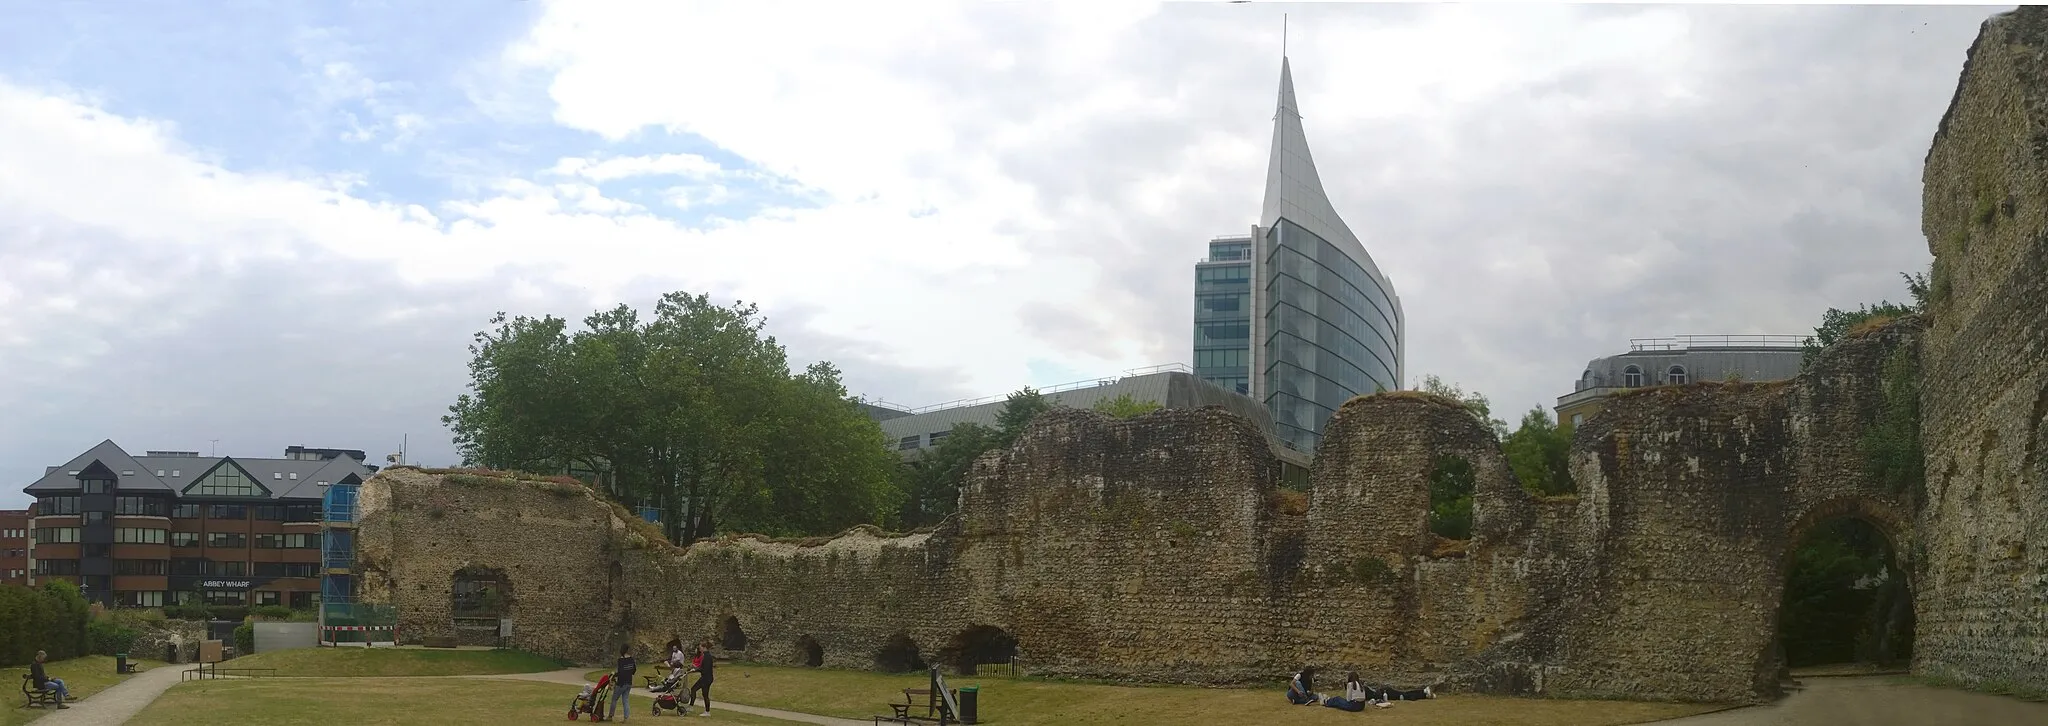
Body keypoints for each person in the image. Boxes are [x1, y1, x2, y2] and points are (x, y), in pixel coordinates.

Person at [1346, 671, 1434, 702]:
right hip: (1385, 691)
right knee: (1405, 695)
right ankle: (1425, 694)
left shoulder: (1358, 688)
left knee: (1405, 696)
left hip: (1386, 693)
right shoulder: (1361, 686)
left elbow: (1351, 699)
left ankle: (1423, 692)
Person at [685, 640, 715, 716]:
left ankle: (705, 711)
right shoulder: (705, 655)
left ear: (704, 647)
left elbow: (704, 669)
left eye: (700, 647)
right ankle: (706, 711)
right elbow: (702, 668)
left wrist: (695, 669)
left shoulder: (707, 657)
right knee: (702, 693)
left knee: (696, 690)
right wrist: (696, 669)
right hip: (706, 677)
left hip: (706, 678)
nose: (699, 649)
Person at [610, 644, 637, 721]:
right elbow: (634, 670)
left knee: (614, 699)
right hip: (629, 682)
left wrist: (614, 674)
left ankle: (610, 716)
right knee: (625, 700)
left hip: (621, 683)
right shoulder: (631, 659)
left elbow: (620, 672)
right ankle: (626, 718)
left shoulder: (621, 660)